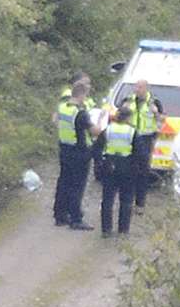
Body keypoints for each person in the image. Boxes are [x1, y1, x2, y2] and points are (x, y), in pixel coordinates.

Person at [53, 77, 95, 230]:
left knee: (64, 182)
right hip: (79, 152)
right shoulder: (80, 113)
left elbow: (55, 121)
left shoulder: (63, 107)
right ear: (82, 95)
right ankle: (76, 219)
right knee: (77, 185)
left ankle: (60, 215)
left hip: (64, 148)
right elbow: (94, 131)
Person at [98, 100, 137, 237]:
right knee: (126, 200)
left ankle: (106, 229)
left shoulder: (108, 130)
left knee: (107, 199)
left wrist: (100, 164)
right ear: (128, 118)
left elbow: (97, 149)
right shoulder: (132, 132)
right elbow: (140, 153)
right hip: (127, 168)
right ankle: (123, 230)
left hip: (109, 166)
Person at [128, 78, 166, 212]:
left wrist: (156, 112)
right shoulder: (129, 100)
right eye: (136, 87)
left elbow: (162, 120)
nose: (136, 90)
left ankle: (140, 204)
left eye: (139, 87)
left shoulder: (154, 102)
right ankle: (128, 201)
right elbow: (120, 115)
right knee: (130, 171)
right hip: (130, 138)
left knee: (143, 172)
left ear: (146, 89)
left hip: (146, 139)